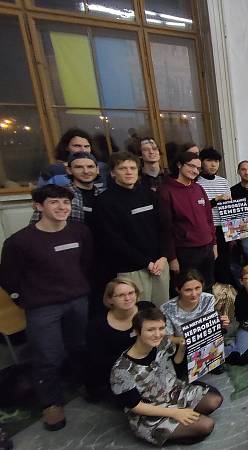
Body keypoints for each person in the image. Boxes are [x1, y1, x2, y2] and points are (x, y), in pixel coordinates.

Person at [0, 184, 93, 431]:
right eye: (54, 202)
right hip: (42, 307)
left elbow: (86, 263)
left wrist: (80, 288)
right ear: (39, 206)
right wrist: (26, 299)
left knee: (80, 346)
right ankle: (51, 402)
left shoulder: (80, 232)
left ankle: (84, 383)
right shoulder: (19, 241)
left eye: (66, 202)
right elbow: (8, 278)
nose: (62, 207)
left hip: (78, 299)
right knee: (47, 355)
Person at [110, 308, 223, 446]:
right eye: (150, 330)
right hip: (150, 411)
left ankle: (186, 414)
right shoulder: (121, 370)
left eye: (161, 328)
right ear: (137, 331)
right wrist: (174, 413)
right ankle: (165, 432)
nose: (157, 334)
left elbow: (176, 361)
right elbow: (135, 406)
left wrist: (181, 348)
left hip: (173, 391)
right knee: (206, 425)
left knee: (214, 401)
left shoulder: (163, 342)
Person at [95, 152, 170, 305]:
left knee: (161, 311)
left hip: (159, 265)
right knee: (136, 314)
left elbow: (165, 226)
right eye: (123, 168)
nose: (129, 172)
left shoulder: (149, 194)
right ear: (113, 173)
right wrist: (145, 262)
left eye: (132, 168)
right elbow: (113, 240)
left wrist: (163, 256)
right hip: (131, 269)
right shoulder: (105, 202)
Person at [86, 279, 155, 399]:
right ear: (109, 299)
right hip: (116, 373)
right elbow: (99, 360)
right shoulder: (97, 324)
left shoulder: (147, 309)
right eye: (121, 295)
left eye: (131, 293)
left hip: (149, 366)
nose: (128, 298)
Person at [158, 151, 216, 289]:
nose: (195, 171)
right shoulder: (166, 191)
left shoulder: (198, 188)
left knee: (207, 287)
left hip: (207, 248)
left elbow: (209, 218)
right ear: (179, 165)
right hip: (185, 252)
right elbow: (165, 228)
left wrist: (214, 244)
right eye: (191, 166)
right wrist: (172, 258)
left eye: (198, 168)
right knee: (189, 290)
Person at [31, 151, 105, 225]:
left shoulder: (104, 193)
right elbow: (34, 229)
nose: (86, 171)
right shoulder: (55, 195)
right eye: (79, 167)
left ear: (97, 170)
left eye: (90, 167)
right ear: (69, 170)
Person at [160, 270, 229, 347]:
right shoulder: (167, 308)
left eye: (197, 288)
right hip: (182, 347)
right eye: (188, 290)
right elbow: (169, 337)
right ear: (178, 289)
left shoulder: (208, 299)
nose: (194, 294)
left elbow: (211, 327)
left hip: (207, 345)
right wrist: (190, 341)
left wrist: (221, 323)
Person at [38, 128, 109, 188]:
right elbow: (42, 195)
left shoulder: (103, 167)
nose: (83, 150)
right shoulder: (53, 170)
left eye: (86, 146)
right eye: (77, 146)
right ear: (66, 147)